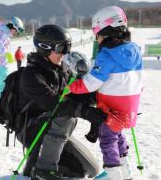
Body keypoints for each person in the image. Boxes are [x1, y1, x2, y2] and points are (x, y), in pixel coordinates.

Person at [16, 24, 107, 179]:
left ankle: (35, 165)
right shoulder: (31, 74)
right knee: (66, 115)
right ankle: (43, 171)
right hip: (31, 128)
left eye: (68, 47)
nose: (65, 53)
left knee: (90, 169)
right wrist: (84, 111)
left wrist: (96, 97)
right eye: (61, 48)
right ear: (44, 47)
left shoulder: (62, 69)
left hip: (53, 128)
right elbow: (53, 103)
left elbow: (74, 94)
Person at [68, 6, 143, 179]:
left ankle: (113, 174)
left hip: (112, 106)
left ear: (106, 31)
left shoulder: (107, 54)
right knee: (118, 136)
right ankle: (125, 171)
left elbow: (92, 83)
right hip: (129, 106)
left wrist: (72, 87)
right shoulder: (135, 50)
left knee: (108, 139)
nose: (97, 39)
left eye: (98, 34)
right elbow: (140, 79)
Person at [0, 17, 24, 115]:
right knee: (4, 86)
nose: (15, 33)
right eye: (16, 30)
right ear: (12, 26)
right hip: (1, 63)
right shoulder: (4, 34)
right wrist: (7, 54)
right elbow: (0, 46)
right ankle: (2, 106)